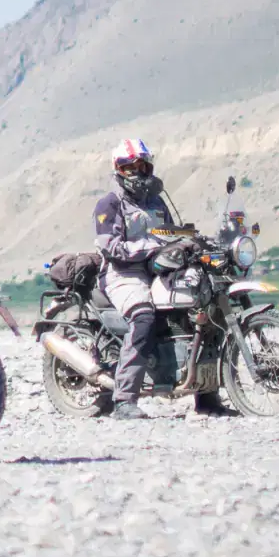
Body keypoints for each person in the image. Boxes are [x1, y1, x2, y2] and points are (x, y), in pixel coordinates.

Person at [92, 138, 230, 418]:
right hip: (123, 273)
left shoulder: (157, 202)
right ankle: (124, 400)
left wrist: (189, 240)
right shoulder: (110, 202)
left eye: (142, 165)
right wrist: (150, 247)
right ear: (119, 169)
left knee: (202, 310)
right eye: (131, 166)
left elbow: (169, 232)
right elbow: (109, 246)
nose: (138, 171)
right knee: (144, 317)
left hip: (158, 269)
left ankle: (207, 398)